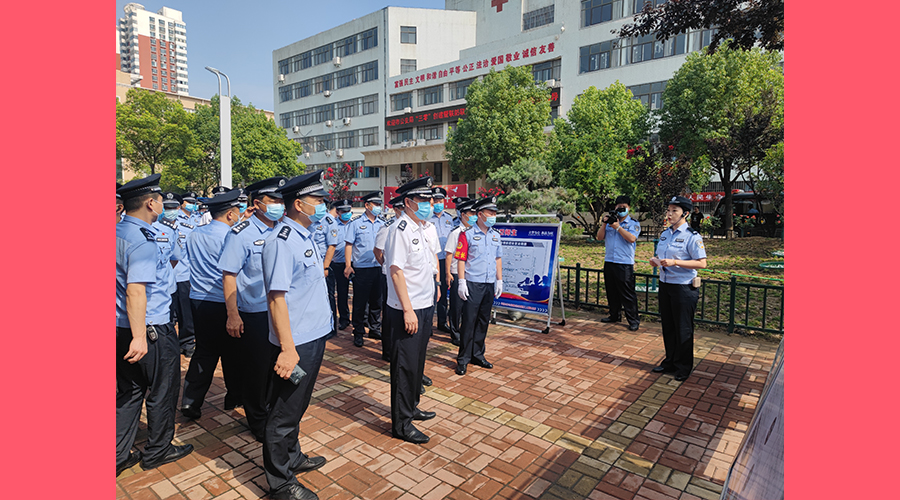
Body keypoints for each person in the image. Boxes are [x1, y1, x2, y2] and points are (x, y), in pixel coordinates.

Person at [261, 171, 332, 500]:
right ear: (299, 204)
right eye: (318, 201)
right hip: (296, 342)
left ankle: (292, 457)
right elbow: (277, 299)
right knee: (283, 412)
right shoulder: (282, 241)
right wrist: (288, 350)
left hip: (314, 334)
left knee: (297, 406)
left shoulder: (305, 235)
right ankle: (280, 482)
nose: (323, 205)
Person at [116, 174, 193, 476]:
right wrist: (140, 338)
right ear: (151, 203)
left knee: (130, 391)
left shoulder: (118, 231)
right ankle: (158, 449)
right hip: (149, 329)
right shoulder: (144, 240)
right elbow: (136, 290)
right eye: (161, 200)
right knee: (163, 389)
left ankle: (119, 453)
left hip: (121, 326)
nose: (164, 204)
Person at [218, 176, 286, 443]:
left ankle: (270, 410)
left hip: (278, 311)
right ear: (257, 204)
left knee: (275, 367)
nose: (280, 205)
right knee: (256, 370)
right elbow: (229, 275)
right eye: (274, 201)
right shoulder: (241, 234)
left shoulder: (282, 230)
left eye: (281, 200)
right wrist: (233, 314)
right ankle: (257, 419)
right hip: (254, 312)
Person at [180, 188, 245, 419]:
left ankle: (190, 401)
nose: (240, 215)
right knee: (233, 352)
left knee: (204, 352)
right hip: (225, 302)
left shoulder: (195, 233)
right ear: (230, 214)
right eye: (238, 211)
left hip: (199, 300)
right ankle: (235, 395)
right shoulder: (231, 236)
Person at [383, 177, 438, 444]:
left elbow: (428, 265)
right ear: (408, 202)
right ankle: (401, 424)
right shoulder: (400, 229)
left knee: (417, 362)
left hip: (425, 305)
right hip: (408, 308)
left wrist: (435, 286)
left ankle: (411, 406)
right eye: (423, 201)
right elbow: (396, 271)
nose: (429, 204)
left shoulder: (424, 227)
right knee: (404, 366)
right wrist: (407, 309)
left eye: (430, 200)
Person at [650, 196, 708, 382]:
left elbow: (702, 263)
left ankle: (683, 367)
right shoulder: (665, 234)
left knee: (683, 328)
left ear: (686, 213)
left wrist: (676, 262)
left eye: (674, 210)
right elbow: (662, 256)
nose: (669, 213)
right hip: (666, 285)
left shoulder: (692, 236)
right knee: (668, 326)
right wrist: (656, 261)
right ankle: (670, 361)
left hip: (684, 288)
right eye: (669, 210)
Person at [455, 196, 503, 376]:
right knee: (468, 321)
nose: (493, 216)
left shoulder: (496, 235)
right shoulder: (466, 234)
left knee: (483, 321)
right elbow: (461, 259)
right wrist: (461, 282)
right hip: (473, 283)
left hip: (489, 283)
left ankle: (477, 354)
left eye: (495, 213)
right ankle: (463, 359)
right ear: (481, 214)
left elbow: (498, 259)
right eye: (491, 213)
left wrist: (499, 280)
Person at [344, 192, 386, 347]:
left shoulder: (382, 223)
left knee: (377, 301)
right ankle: (359, 331)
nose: (378, 207)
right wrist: (348, 265)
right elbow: (349, 245)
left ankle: (375, 328)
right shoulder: (355, 224)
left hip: (378, 267)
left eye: (379, 204)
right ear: (367, 205)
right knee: (360, 302)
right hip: (362, 268)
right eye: (375, 204)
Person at [596, 195, 641, 331]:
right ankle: (614, 315)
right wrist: (605, 223)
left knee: (627, 293)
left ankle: (633, 320)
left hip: (624, 263)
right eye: (618, 206)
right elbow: (599, 237)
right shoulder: (610, 222)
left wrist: (618, 227)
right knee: (611, 291)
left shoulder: (633, 223)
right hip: (609, 261)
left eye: (624, 207)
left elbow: (632, 238)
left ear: (628, 208)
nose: (621, 209)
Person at [373, 196, 406, 362]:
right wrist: (385, 265)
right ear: (397, 209)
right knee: (389, 314)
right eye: (402, 209)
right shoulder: (388, 227)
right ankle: (387, 350)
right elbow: (377, 251)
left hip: (405, 276)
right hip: (389, 276)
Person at [444, 199, 477, 346]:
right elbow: (449, 254)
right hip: (457, 272)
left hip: (470, 273)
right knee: (456, 306)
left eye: (476, 213)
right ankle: (455, 333)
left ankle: (465, 331)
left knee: (468, 305)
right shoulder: (456, 232)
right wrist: (448, 273)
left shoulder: (476, 232)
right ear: (463, 215)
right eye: (471, 213)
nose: (474, 216)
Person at [310, 196, 340, 339]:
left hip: (323, 265)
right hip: (310, 265)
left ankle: (331, 327)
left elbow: (331, 246)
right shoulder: (309, 220)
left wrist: (325, 267)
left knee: (328, 297)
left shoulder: (329, 221)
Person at [173, 193, 198, 357]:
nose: (192, 204)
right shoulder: (173, 222)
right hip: (178, 273)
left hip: (191, 272)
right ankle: (182, 343)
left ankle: (188, 342)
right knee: (179, 311)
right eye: (189, 202)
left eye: (194, 202)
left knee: (188, 312)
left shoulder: (197, 219)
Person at [429, 187, 455, 333]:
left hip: (446, 260)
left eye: (441, 200)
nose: (439, 203)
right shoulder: (427, 218)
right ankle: (428, 323)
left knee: (444, 293)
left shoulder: (449, 218)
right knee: (432, 292)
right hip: (432, 261)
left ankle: (441, 322)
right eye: (436, 200)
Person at [329, 199, 353, 331]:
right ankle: (344, 318)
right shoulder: (332, 225)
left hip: (353, 263)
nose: (346, 213)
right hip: (338, 263)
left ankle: (363, 319)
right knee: (342, 292)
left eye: (348, 211)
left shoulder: (355, 224)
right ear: (338, 212)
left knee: (361, 293)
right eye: (343, 211)